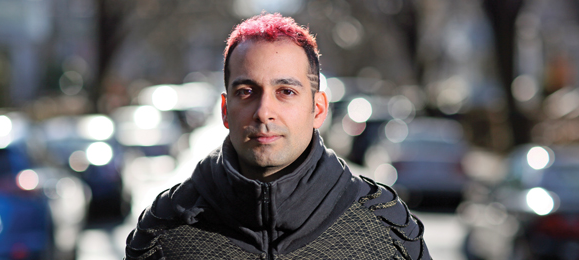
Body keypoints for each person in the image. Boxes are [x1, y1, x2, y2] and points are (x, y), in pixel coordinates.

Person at [125, 13, 431, 260]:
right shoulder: (164, 233)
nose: (264, 111)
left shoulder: (386, 231)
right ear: (225, 110)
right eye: (246, 92)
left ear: (318, 109)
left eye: (286, 92)